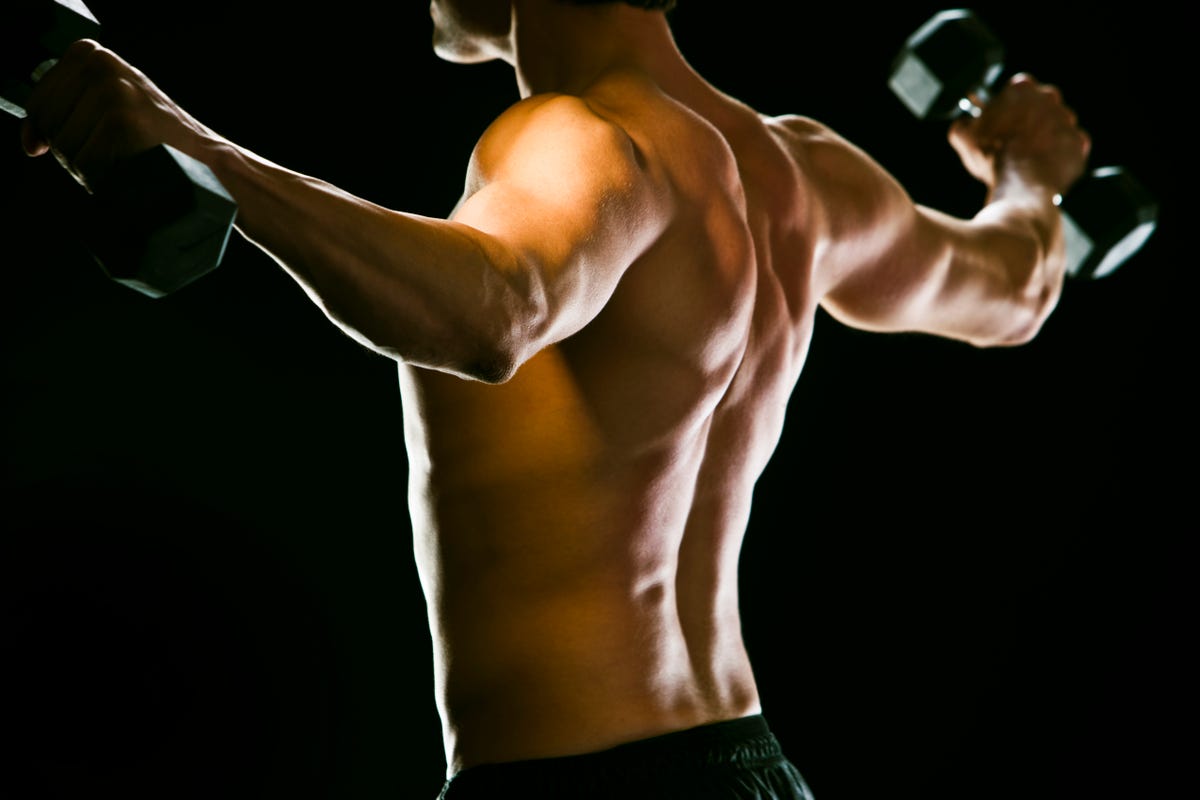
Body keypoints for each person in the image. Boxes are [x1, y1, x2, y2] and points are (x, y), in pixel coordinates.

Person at [20, 1, 1090, 797]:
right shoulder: (804, 177)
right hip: (755, 765)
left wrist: (186, 143)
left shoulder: (579, 137)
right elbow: (1016, 289)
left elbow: (501, 305)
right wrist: (1025, 181)